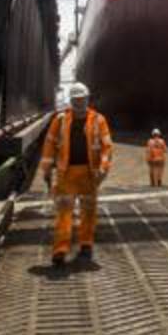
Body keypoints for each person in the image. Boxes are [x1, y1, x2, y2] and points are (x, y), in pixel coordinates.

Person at [39, 82, 113, 266]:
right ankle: (60, 250)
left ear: (87, 99)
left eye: (82, 99)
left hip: (90, 173)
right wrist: (46, 168)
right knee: (64, 212)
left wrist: (103, 167)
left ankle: (86, 246)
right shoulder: (61, 120)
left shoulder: (98, 120)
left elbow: (107, 147)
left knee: (88, 211)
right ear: (71, 101)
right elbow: (49, 144)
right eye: (76, 100)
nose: (80, 102)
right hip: (67, 173)